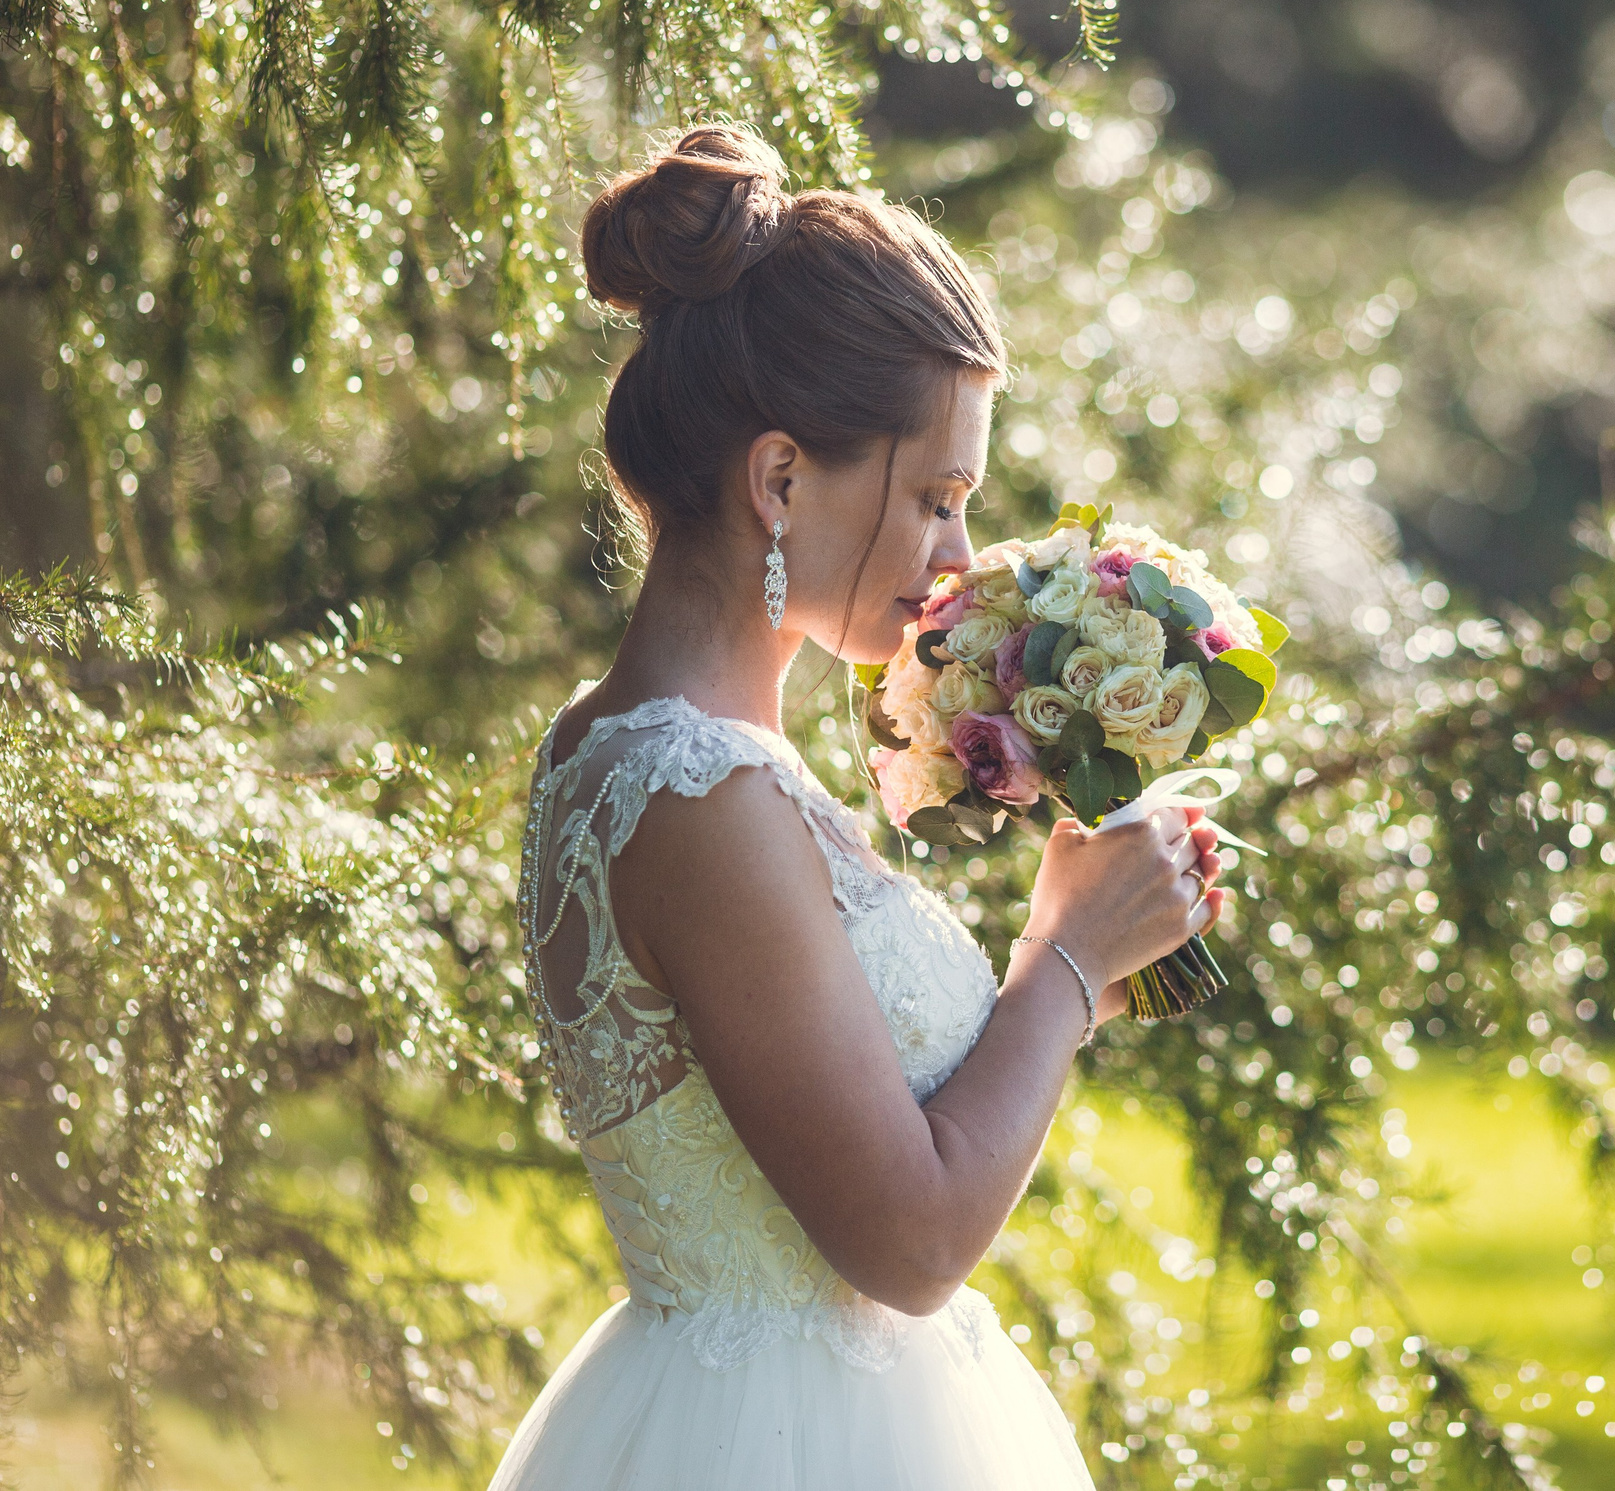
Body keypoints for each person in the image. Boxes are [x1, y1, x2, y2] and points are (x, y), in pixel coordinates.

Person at [489, 124, 1226, 1490]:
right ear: (779, 480)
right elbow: (911, 1242)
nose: (958, 557)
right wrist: (1065, 962)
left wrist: (1113, 928)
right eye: (937, 499)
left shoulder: (635, 747)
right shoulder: (701, 797)